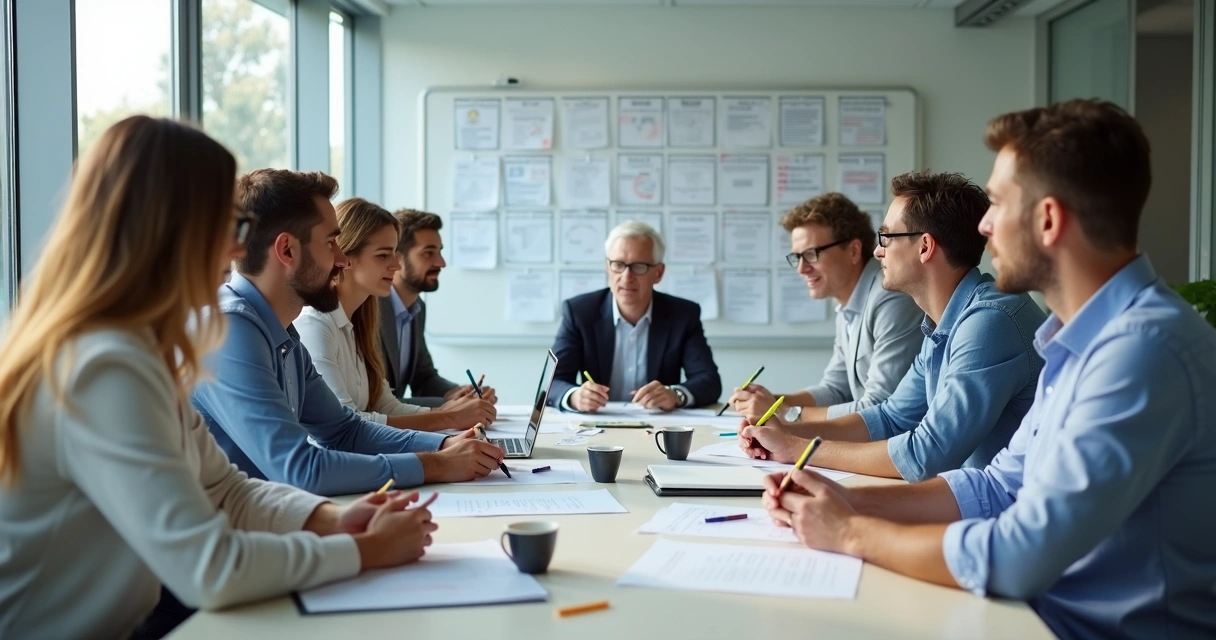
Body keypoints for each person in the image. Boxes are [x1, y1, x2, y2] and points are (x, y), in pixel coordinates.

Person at [762, 99, 1216, 640]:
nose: (983, 225)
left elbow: (1020, 554)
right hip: (1033, 614)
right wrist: (844, 499)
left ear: (1048, 219)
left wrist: (850, 532)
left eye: (997, 203)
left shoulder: (1142, 351)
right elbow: (998, 487)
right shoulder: (1081, 341)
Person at [0, 117, 437, 640]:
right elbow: (210, 567)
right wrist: (363, 550)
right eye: (231, 227)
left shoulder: (140, 349)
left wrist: (333, 520)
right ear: (172, 231)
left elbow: (226, 489)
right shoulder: (101, 367)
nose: (237, 251)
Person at [191, 169, 504, 497]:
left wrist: (446, 444)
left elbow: (345, 431)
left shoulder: (282, 332)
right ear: (287, 251)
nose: (342, 259)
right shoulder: (229, 330)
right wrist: (436, 464)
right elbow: (299, 469)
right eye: (331, 243)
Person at [740, 171, 1046, 481]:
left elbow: (925, 455)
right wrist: (785, 432)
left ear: (925, 247)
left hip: (1009, 505)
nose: (877, 251)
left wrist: (796, 448)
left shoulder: (989, 322)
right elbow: (889, 418)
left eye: (886, 237)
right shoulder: (943, 323)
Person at [295, 197, 495, 431]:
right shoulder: (315, 324)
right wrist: (449, 418)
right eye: (383, 255)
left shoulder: (358, 321)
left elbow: (387, 406)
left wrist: (451, 416)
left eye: (394, 254)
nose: (396, 265)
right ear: (345, 257)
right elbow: (347, 426)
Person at [728, 193, 922, 422]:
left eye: (811, 254)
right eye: (797, 257)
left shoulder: (890, 297)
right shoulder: (848, 304)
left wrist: (783, 412)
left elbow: (879, 406)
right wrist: (771, 401)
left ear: (853, 251)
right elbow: (835, 389)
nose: (801, 269)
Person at [548, 221, 722, 411]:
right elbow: (553, 382)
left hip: (657, 423)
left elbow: (709, 380)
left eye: (639, 266)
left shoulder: (682, 315)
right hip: (598, 422)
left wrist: (676, 394)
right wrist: (574, 397)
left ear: (658, 273)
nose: (626, 277)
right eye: (618, 265)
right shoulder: (580, 312)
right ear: (607, 267)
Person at [378, 208, 496, 406]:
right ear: (397, 258)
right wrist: (452, 408)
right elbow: (377, 403)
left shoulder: (417, 309)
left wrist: (457, 393)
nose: (441, 263)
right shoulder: (370, 311)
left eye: (439, 252)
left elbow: (423, 378)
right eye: (428, 253)